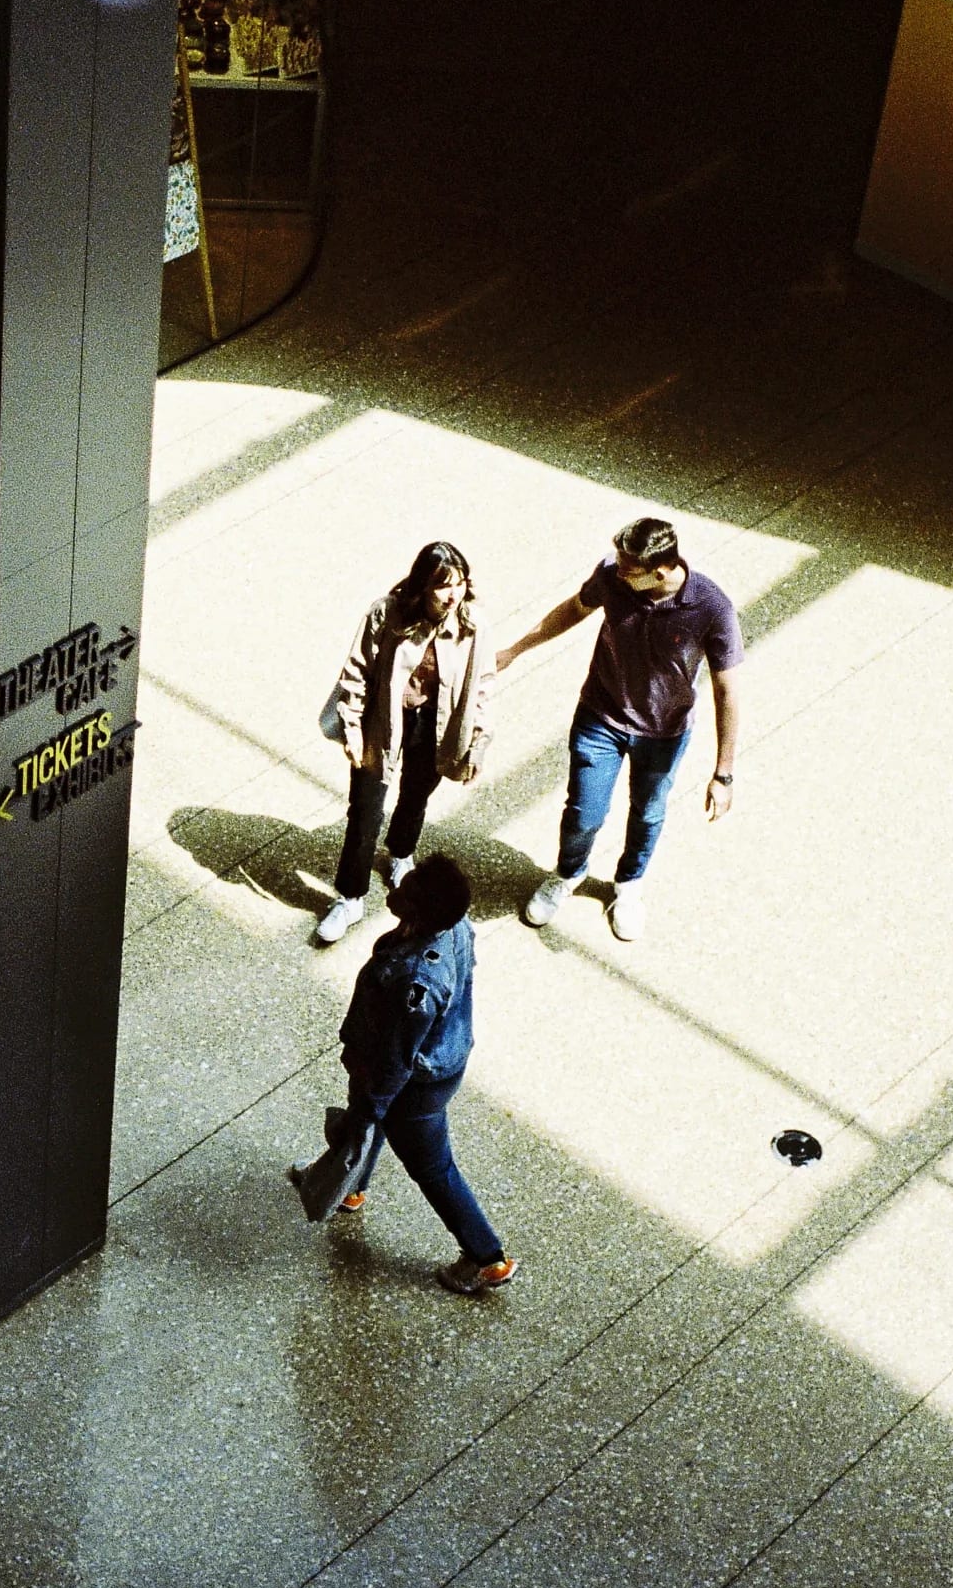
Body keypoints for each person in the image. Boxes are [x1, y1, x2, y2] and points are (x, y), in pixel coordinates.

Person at [496, 514, 743, 942]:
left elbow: (727, 690)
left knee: (648, 814)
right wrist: (516, 650)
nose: (618, 571)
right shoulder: (614, 577)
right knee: (584, 812)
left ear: (661, 571)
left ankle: (628, 885)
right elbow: (574, 608)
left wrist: (723, 773)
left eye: (629, 569)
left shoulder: (711, 608)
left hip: (664, 734)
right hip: (600, 717)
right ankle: (568, 873)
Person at [291, 854, 517, 1296]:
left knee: (431, 1167)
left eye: (408, 891)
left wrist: (370, 1107)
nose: (396, 889)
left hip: (414, 1083)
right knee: (373, 1125)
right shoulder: (451, 926)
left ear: (422, 911)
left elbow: (396, 1062)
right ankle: (350, 1188)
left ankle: (486, 1257)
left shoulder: (417, 982)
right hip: (435, 1060)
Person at [315, 540, 494, 946]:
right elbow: (357, 672)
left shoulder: (473, 624)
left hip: (437, 724)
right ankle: (350, 896)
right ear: (421, 587)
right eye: (442, 586)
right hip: (384, 723)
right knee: (364, 811)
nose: (453, 595)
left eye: (461, 584)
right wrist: (353, 729)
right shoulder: (387, 613)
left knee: (415, 796)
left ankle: (400, 854)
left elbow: (482, 683)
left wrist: (478, 742)